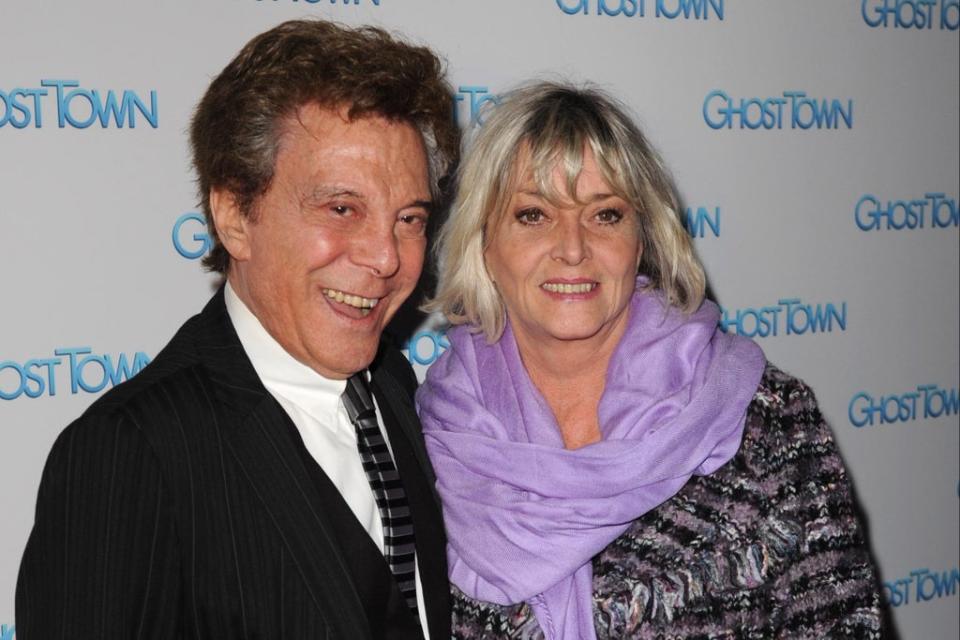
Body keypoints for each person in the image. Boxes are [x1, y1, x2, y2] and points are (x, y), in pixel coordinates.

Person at [17, 19, 458, 640]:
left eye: (409, 218)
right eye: (341, 209)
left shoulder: (393, 383)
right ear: (234, 217)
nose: (386, 257)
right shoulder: (130, 453)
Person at [416, 83, 883, 639]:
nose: (572, 247)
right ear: (485, 243)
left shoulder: (769, 422)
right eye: (534, 214)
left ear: (643, 237)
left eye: (606, 214)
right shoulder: (432, 438)